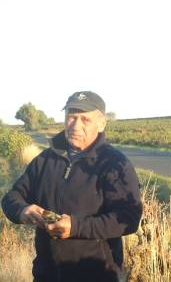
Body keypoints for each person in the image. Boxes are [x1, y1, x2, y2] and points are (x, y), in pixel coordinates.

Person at [2, 91, 143, 282]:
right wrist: (22, 211)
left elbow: (128, 218)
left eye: (85, 119)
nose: (75, 126)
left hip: (96, 275)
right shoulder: (44, 160)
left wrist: (76, 227)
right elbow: (12, 198)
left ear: (101, 124)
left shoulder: (114, 164)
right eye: (71, 117)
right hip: (46, 274)